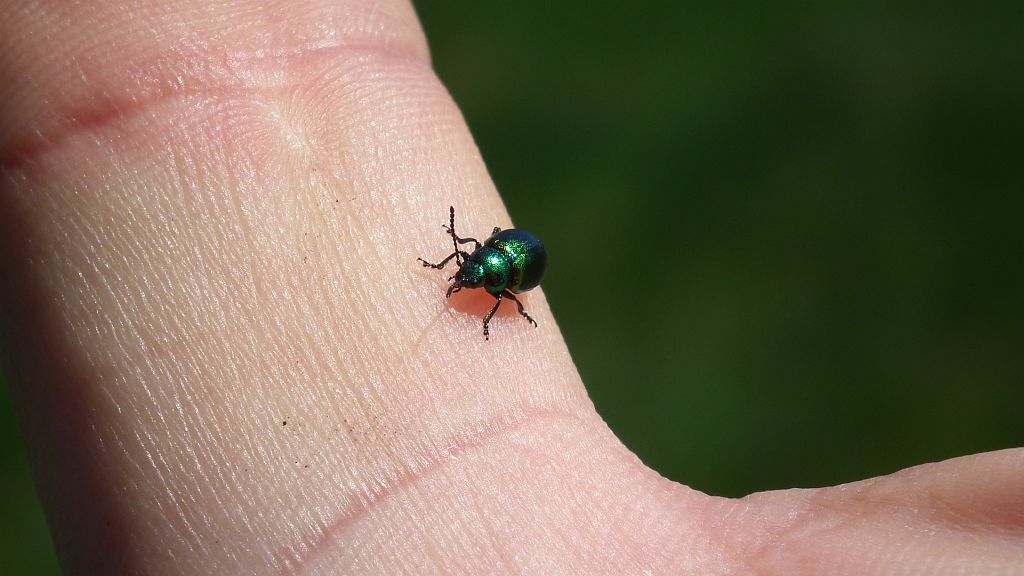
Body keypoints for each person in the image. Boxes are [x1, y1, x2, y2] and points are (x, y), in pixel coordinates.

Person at [1, 1, 1021, 573]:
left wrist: (499, 289)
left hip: (521, 256)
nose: (466, 275)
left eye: (474, 276)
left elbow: (503, 255)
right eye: (474, 273)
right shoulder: (487, 265)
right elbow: (487, 248)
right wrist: (482, 275)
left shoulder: (503, 274)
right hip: (518, 254)